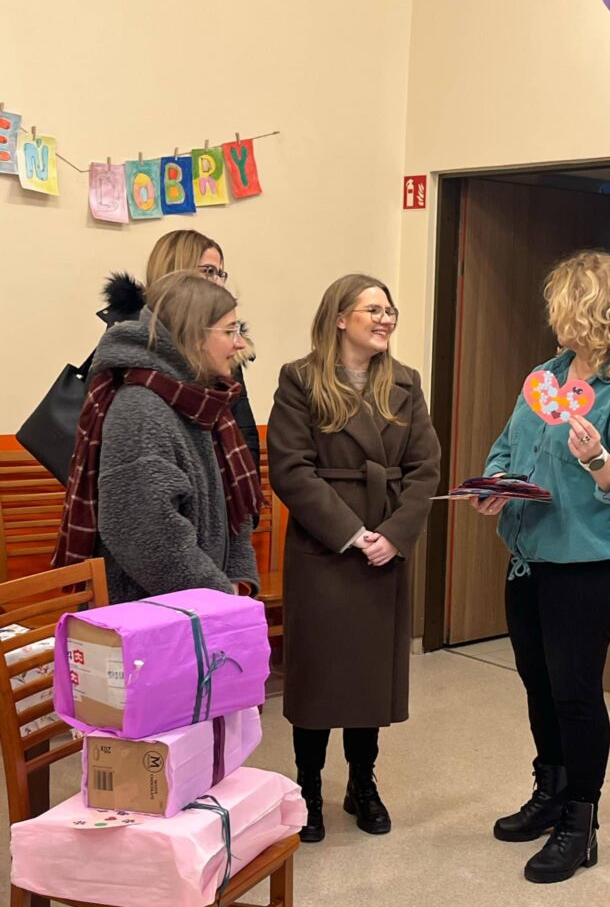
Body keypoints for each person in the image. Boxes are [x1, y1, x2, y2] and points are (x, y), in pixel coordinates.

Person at [472, 251, 610, 883]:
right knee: (538, 684)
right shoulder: (545, 376)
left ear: (593, 307)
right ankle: (551, 791)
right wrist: (496, 483)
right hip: (530, 556)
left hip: (589, 563)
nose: (552, 313)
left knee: (575, 691)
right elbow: (508, 447)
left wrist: (597, 461)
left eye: (561, 302)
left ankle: (580, 823)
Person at [267, 273, 440, 843]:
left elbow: (425, 469)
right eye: (373, 309)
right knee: (319, 679)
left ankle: (362, 783)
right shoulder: (300, 379)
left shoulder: (406, 382)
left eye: (390, 310)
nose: (386, 319)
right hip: (325, 548)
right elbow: (291, 470)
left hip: (386, 547)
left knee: (369, 679)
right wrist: (351, 533)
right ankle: (308, 788)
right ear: (340, 318)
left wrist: (394, 534)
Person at [53, 271, 261, 604]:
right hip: (150, 614)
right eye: (229, 331)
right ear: (194, 336)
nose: (240, 343)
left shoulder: (203, 401)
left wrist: (237, 579)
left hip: (198, 606)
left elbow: (233, 508)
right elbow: (146, 534)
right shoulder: (141, 409)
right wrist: (220, 596)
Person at [98, 229, 261, 477]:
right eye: (208, 271)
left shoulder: (221, 348)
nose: (218, 283)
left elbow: (243, 431)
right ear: (175, 271)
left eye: (221, 274)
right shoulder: (133, 348)